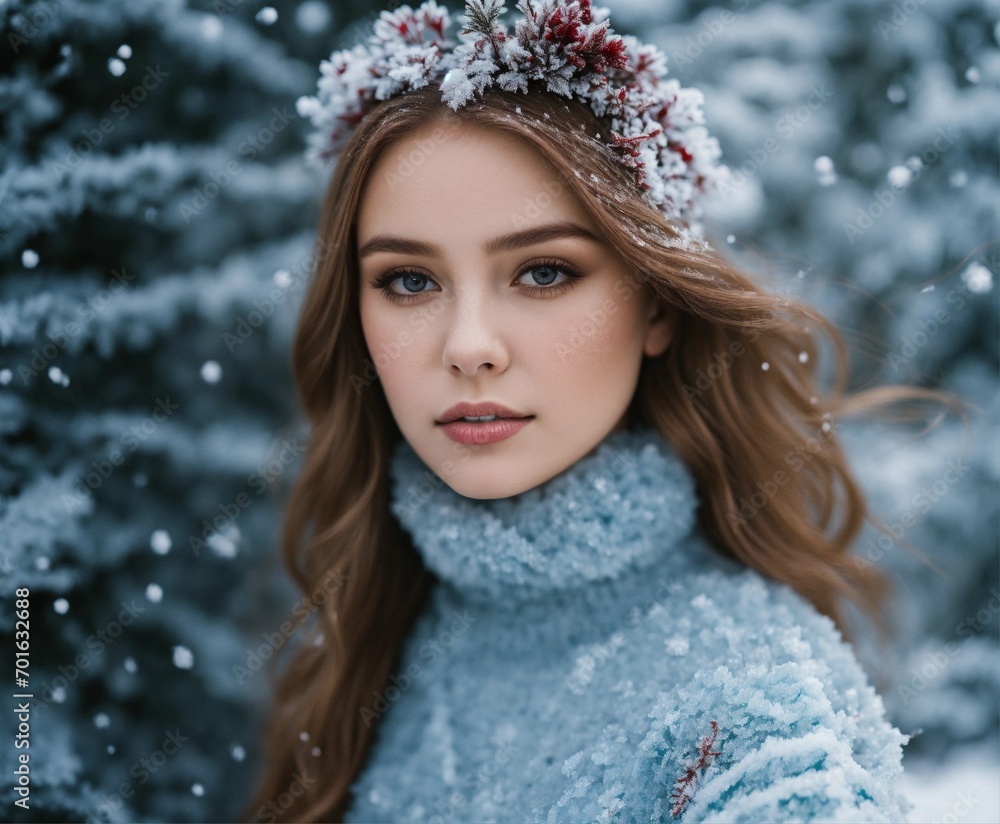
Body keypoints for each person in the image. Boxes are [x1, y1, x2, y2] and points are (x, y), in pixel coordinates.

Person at [243, 1, 956, 821]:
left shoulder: (750, 719)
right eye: (410, 280)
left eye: (543, 272)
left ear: (656, 304)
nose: (469, 346)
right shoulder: (376, 638)